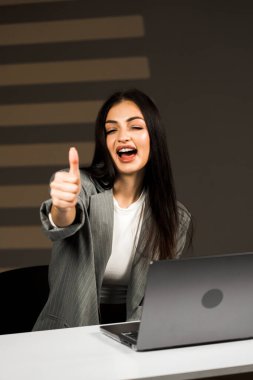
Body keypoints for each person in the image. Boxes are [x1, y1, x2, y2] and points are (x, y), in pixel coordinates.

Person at [33, 88, 191, 331]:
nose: (122, 137)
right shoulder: (80, 187)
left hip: (133, 333)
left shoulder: (175, 218)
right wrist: (62, 206)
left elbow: (158, 298)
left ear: (154, 136)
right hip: (67, 335)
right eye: (111, 130)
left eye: (135, 127)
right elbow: (63, 221)